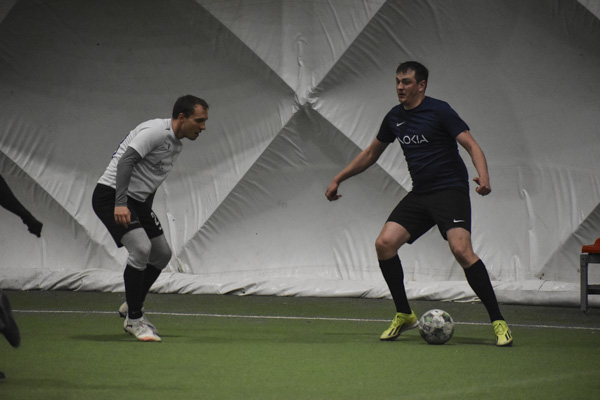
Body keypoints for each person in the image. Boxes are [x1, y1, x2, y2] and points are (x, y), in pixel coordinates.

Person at [325, 61, 513, 347]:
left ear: (421, 85)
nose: (400, 87)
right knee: (384, 244)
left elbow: (471, 145)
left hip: (450, 191)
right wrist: (339, 178)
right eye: (397, 81)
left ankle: (498, 322)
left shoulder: (439, 110)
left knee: (461, 251)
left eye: (407, 82)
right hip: (421, 193)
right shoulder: (394, 117)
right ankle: (404, 314)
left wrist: (484, 176)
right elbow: (371, 153)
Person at [92, 95, 209, 342]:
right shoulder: (156, 131)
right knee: (141, 249)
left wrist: (144, 212)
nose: (203, 127)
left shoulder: (176, 145)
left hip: (138, 202)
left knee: (162, 254)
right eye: (199, 120)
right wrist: (120, 203)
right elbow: (126, 161)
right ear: (181, 117)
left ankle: (130, 304)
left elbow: (151, 181)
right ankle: (134, 319)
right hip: (111, 195)